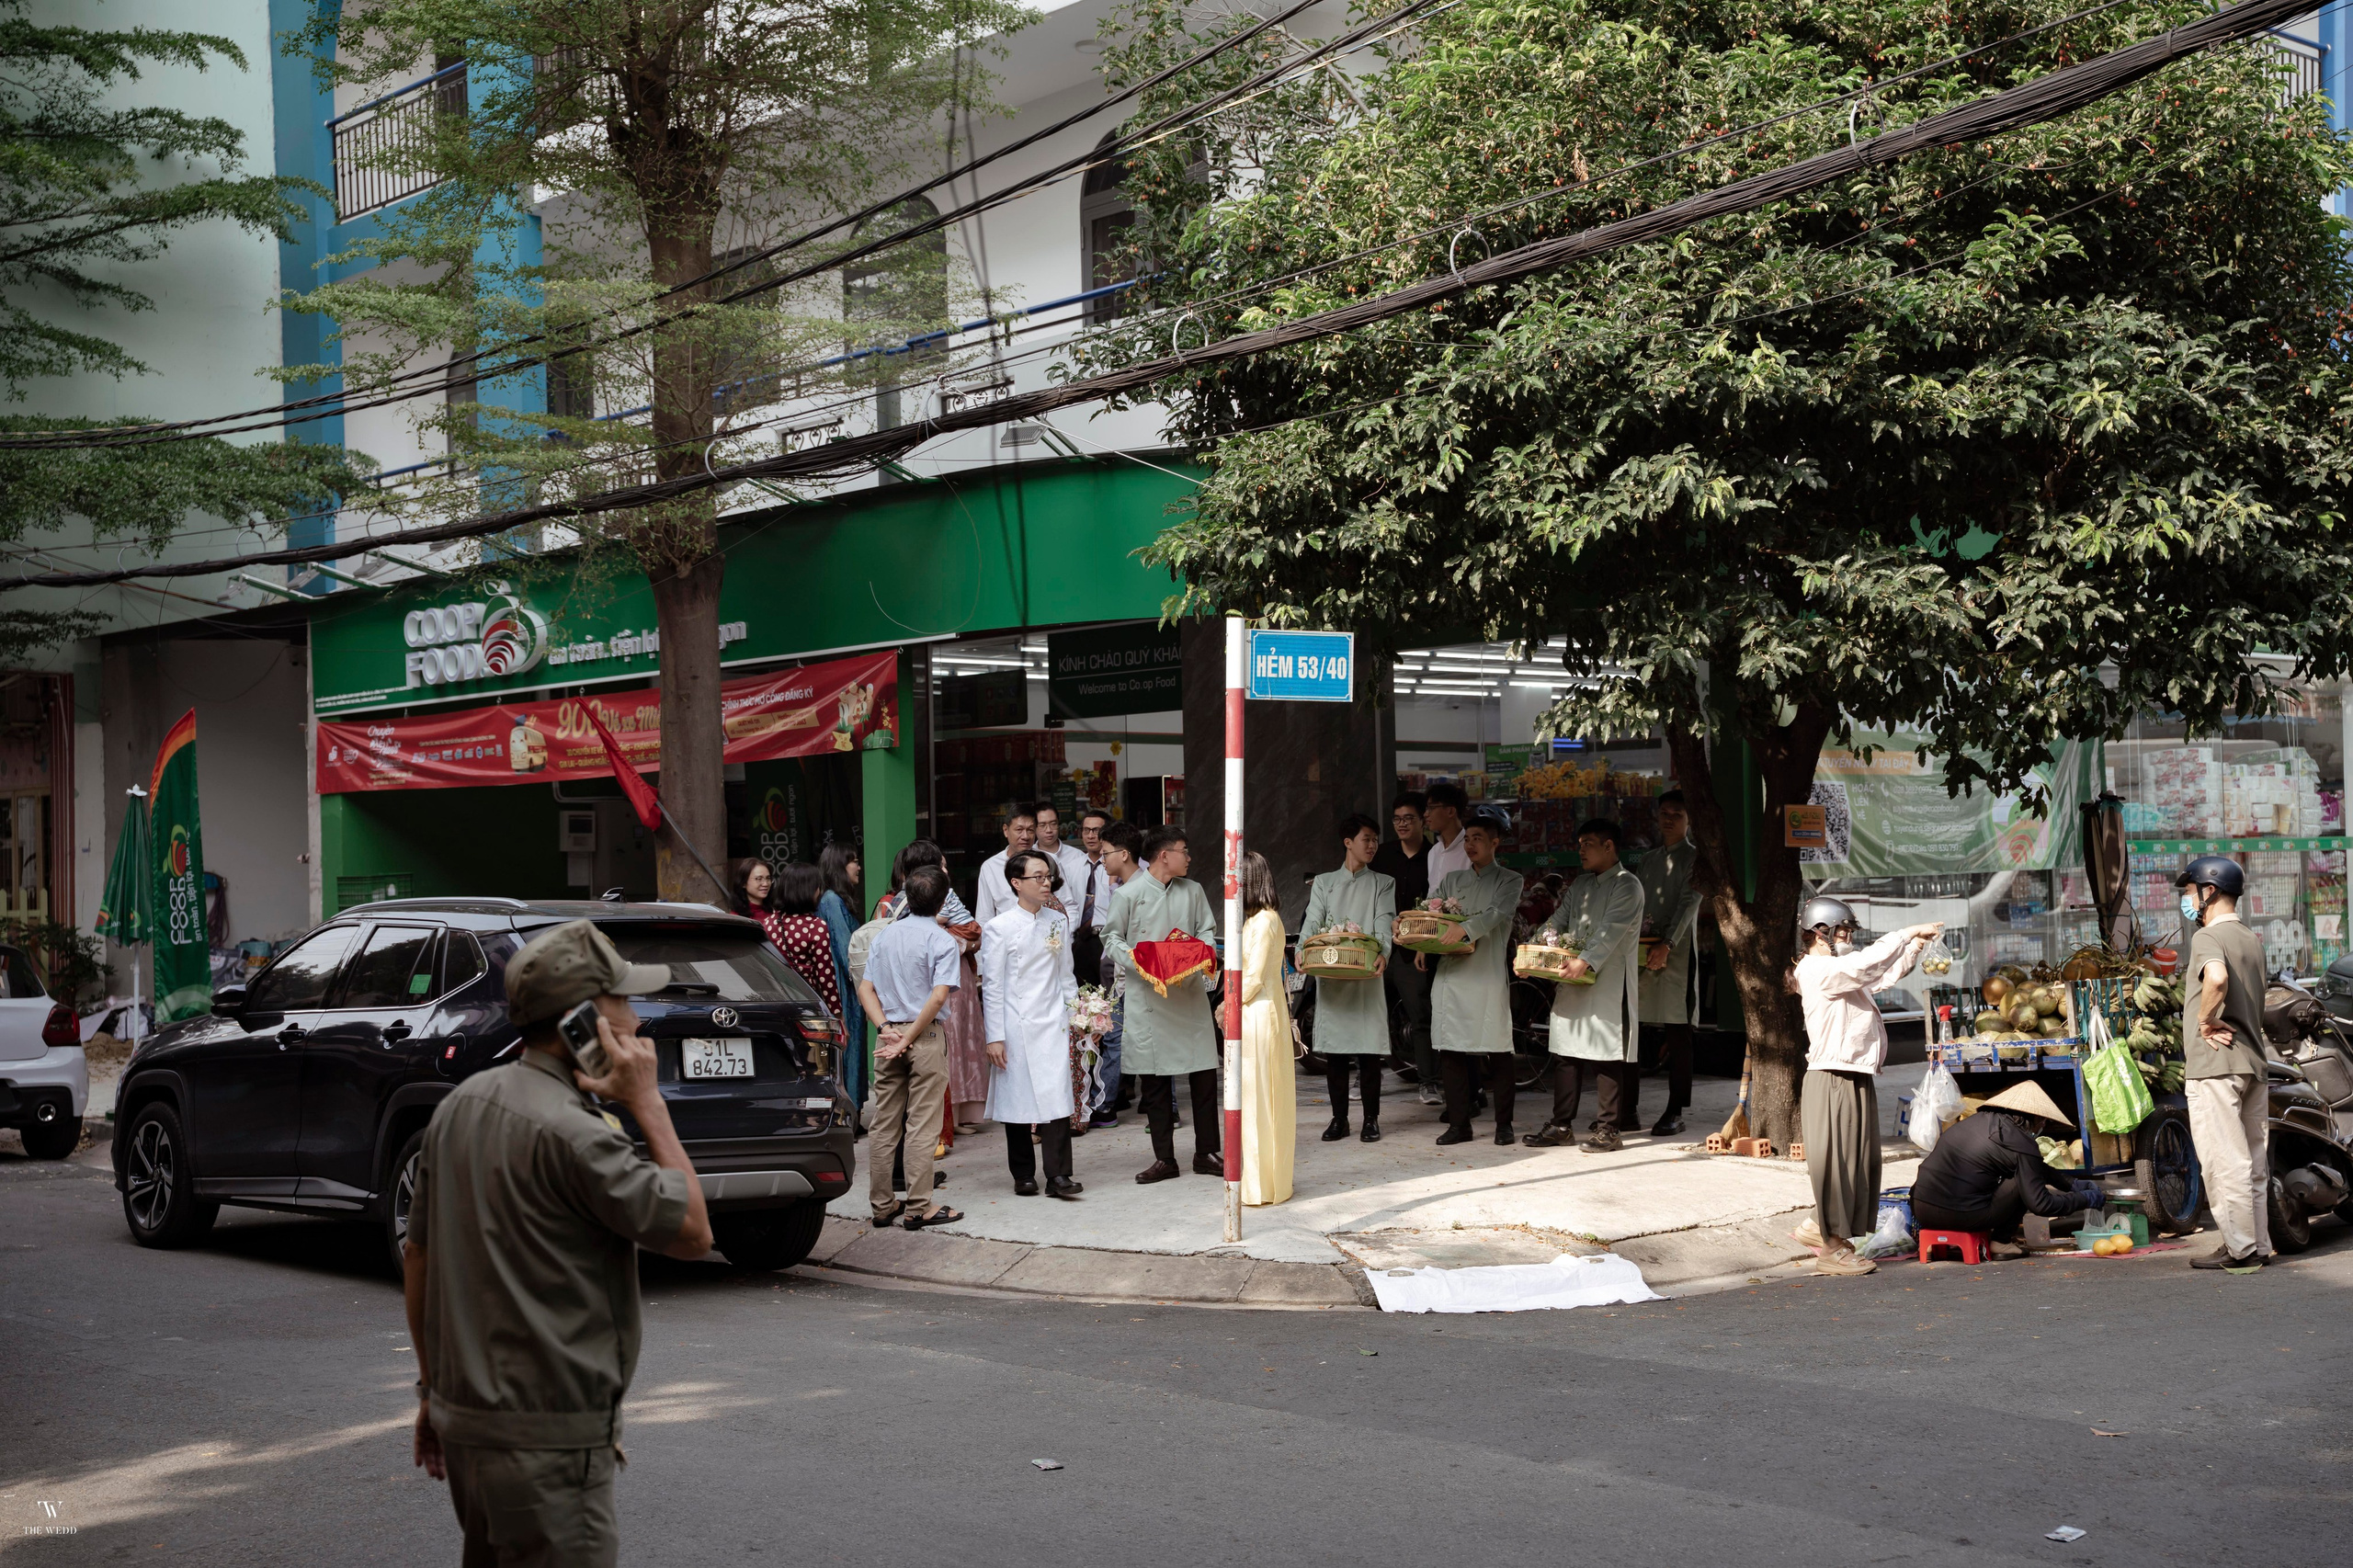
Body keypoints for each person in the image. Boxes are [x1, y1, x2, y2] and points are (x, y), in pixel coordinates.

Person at [404, 919, 712, 1567]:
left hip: (467, 1428)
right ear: (582, 1021)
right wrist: (648, 1103)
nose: (636, 1020)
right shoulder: (577, 1133)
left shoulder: (459, 1106)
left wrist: (432, 1392)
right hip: (546, 1448)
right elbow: (692, 1232)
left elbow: (419, 1256)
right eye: (622, 1001)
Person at [1791, 897, 1940, 1278]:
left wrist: (1914, 947)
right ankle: (1831, 1250)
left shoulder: (1838, 970)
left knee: (1857, 1164)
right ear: (1820, 933)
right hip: (1832, 1078)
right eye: (1842, 931)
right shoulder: (1818, 969)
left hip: (1852, 1074)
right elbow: (1864, 965)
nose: (1848, 938)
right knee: (1838, 1166)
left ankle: (1817, 1226)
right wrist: (1906, 932)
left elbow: (1880, 975)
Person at [1103, 824, 1223, 1182]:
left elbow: (1206, 930)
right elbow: (1111, 938)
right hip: (1149, 996)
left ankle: (1206, 1153)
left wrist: (1199, 953)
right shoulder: (1128, 894)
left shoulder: (1193, 890)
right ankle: (1164, 1159)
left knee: (1204, 1079)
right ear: (1164, 855)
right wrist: (1138, 960)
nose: (1189, 858)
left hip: (1189, 994)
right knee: (1155, 1085)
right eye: (1184, 851)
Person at [2176, 854, 2273, 1269]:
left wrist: (2205, 1020)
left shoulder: (2207, 938)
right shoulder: (2251, 939)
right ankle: (2258, 1244)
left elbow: (2216, 978)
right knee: (2253, 1163)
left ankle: (2240, 1250)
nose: (2186, 900)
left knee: (2223, 1160)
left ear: (2209, 892)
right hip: (2252, 1063)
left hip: (2216, 1064)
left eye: (2189, 891)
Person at [1526, 819, 1645, 1153]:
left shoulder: (1627, 884)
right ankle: (1561, 1125)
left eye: (1587, 843)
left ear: (1609, 846)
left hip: (1608, 980)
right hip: (1572, 975)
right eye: (1579, 844)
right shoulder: (1580, 884)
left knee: (1606, 1054)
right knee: (1565, 1051)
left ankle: (1609, 1129)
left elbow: (1611, 929)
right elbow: (1557, 921)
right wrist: (1531, 952)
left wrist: (1587, 960)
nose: (1581, 850)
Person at [857, 864, 965, 1230]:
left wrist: (886, 1028)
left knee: (884, 1124)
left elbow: (865, 990)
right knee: (922, 1125)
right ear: (942, 901)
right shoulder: (942, 940)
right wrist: (908, 1036)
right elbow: (938, 997)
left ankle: (882, 1206)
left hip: (887, 1037)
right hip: (924, 1036)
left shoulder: (885, 935)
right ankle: (919, 1207)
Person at [981, 849, 1084, 1199]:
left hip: (1053, 1020)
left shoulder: (1057, 921)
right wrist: (994, 1036)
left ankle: (1059, 1175)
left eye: (1048, 876)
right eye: (1037, 877)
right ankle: (1023, 1173)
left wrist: (1079, 1015)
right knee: (1018, 1100)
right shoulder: (999, 927)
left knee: (1057, 1097)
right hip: (1016, 1023)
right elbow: (992, 985)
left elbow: (1066, 974)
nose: (1045, 883)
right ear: (1016, 883)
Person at [1423, 805, 1525, 1145]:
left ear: (1495, 843)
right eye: (1467, 839)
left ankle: (1504, 1125)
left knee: (1498, 1051)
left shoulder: (1510, 880)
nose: (1470, 845)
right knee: (1450, 1051)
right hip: (1451, 975)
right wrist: (1414, 933)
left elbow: (1498, 913)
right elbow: (1429, 910)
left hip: (1486, 975)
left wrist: (1465, 929)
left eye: (1478, 839)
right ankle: (1459, 1124)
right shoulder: (1452, 880)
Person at [1909, 1082, 2101, 1255]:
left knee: (2026, 1172)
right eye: (2043, 1120)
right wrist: (2085, 1199)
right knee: (2022, 1181)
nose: (2043, 1125)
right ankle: (2001, 1241)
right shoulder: (2021, 1143)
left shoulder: (1972, 1123)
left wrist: (2072, 1184)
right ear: (2033, 1117)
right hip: (1964, 1216)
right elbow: (2041, 1204)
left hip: (1922, 1211)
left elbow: (2035, 1167)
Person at [1304, 812, 1395, 1142]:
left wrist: (1384, 952)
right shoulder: (1324, 882)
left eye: (1375, 840)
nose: (1372, 845)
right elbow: (1313, 919)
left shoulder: (1383, 882)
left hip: (1367, 974)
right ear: (1348, 842)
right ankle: (1339, 1119)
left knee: (1369, 1051)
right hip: (1332, 973)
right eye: (1366, 839)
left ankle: (1371, 1119)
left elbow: (1384, 921)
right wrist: (1302, 949)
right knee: (1336, 1053)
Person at [1634, 790, 1703, 1136]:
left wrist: (1669, 943)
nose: (1669, 819)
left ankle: (1676, 1109)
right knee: (1632, 1029)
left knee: (1678, 1032)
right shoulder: (1647, 861)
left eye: (1677, 814)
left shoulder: (1696, 858)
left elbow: (1689, 903)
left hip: (1677, 954)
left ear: (1689, 820)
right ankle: (1625, 1109)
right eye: (1664, 813)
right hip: (1641, 950)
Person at [1373, 791, 1439, 1105]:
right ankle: (1365, 1077)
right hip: (1382, 947)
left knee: (1421, 1017)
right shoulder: (1383, 854)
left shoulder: (1435, 855)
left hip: (1415, 951)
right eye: (1397, 819)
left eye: (1408, 818)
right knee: (1373, 1015)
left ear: (1422, 820)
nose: (1402, 824)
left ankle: (1429, 1082)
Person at [1237, 850, 1294, 1205]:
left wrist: (1227, 1005)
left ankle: (1262, 1186)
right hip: (1256, 1011)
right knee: (1258, 1098)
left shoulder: (1264, 922)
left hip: (1259, 1013)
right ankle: (1264, 1182)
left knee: (1260, 1098)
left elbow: (1254, 976)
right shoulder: (1256, 920)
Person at [1088, 819, 1144, 1128]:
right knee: (1117, 1040)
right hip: (1122, 977)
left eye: (1106, 852)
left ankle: (1106, 1105)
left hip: (1132, 979)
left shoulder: (1138, 889)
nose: (1102, 858)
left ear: (1124, 854)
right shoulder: (1122, 887)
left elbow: (1117, 938)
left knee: (1118, 1041)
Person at [815, 842, 867, 1111]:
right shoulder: (832, 900)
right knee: (849, 1048)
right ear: (840, 866)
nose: (858, 866)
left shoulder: (832, 899)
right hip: (843, 989)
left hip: (846, 986)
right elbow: (847, 951)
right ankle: (850, 1114)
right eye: (853, 861)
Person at [764, 863, 843, 1020]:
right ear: (810, 890)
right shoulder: (815, 926)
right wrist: (838, 1015)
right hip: (807, 1006)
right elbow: (825, 976)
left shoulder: (768, 923)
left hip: (773, 1004)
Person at [1068, 808, 1116, 994]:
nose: (1090, 835)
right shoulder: (1071, 867)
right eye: (1086, 830)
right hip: (1081, 940)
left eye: (1096, 830)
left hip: (1108, 940)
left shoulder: (1115, 867)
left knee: (1110, 997)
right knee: (1084, 998)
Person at [973, 804, 1040, 925]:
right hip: (1006, 935)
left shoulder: (1049, 861)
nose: (1025, 836)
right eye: (1019, 830)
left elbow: (1067, 904)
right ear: (1006, 830)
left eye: (1030, 830)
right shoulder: (990, 867)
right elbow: (984, 917)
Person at [1422, 779, 1472, 887]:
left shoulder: (1471, 850)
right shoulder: (1434, 851)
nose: (1426, 814)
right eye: (1427, 808)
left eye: (1431, 808)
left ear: (1451, 811)